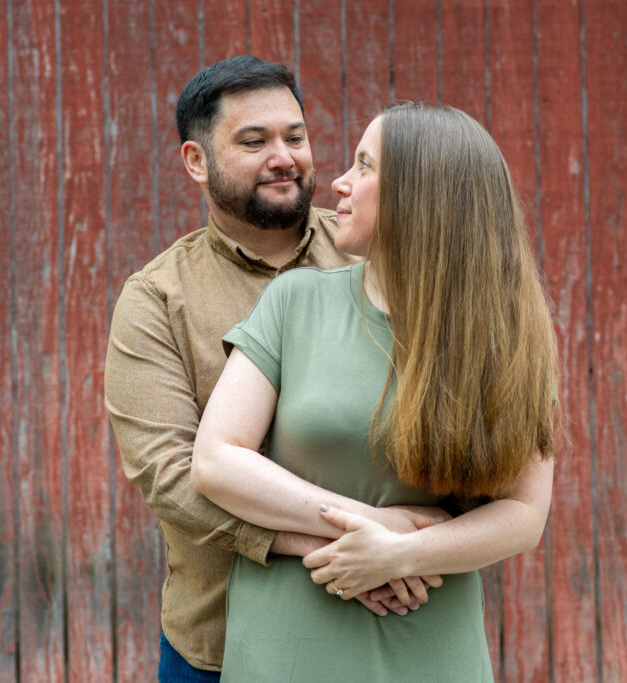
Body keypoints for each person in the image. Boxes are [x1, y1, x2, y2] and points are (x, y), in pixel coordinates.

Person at [192, 103, 562, 682]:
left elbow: (523, 514)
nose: (339, 181)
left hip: (431, 647)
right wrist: (372, 526)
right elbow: (216, 460)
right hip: (289, 649)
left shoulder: (507, 336)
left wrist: (402, 554)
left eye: (364, 166)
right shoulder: (295, 302)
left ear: (419, 198)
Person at [105, 57, 442, 682]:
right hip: (220, 640)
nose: (285, 157)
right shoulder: (157, 299)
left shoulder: (378, 254)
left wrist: (416, 540)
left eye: (296, 136)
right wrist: (346, 545)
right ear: (196, 161)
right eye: (254, 141)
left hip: (393, 627)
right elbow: (173, 478)